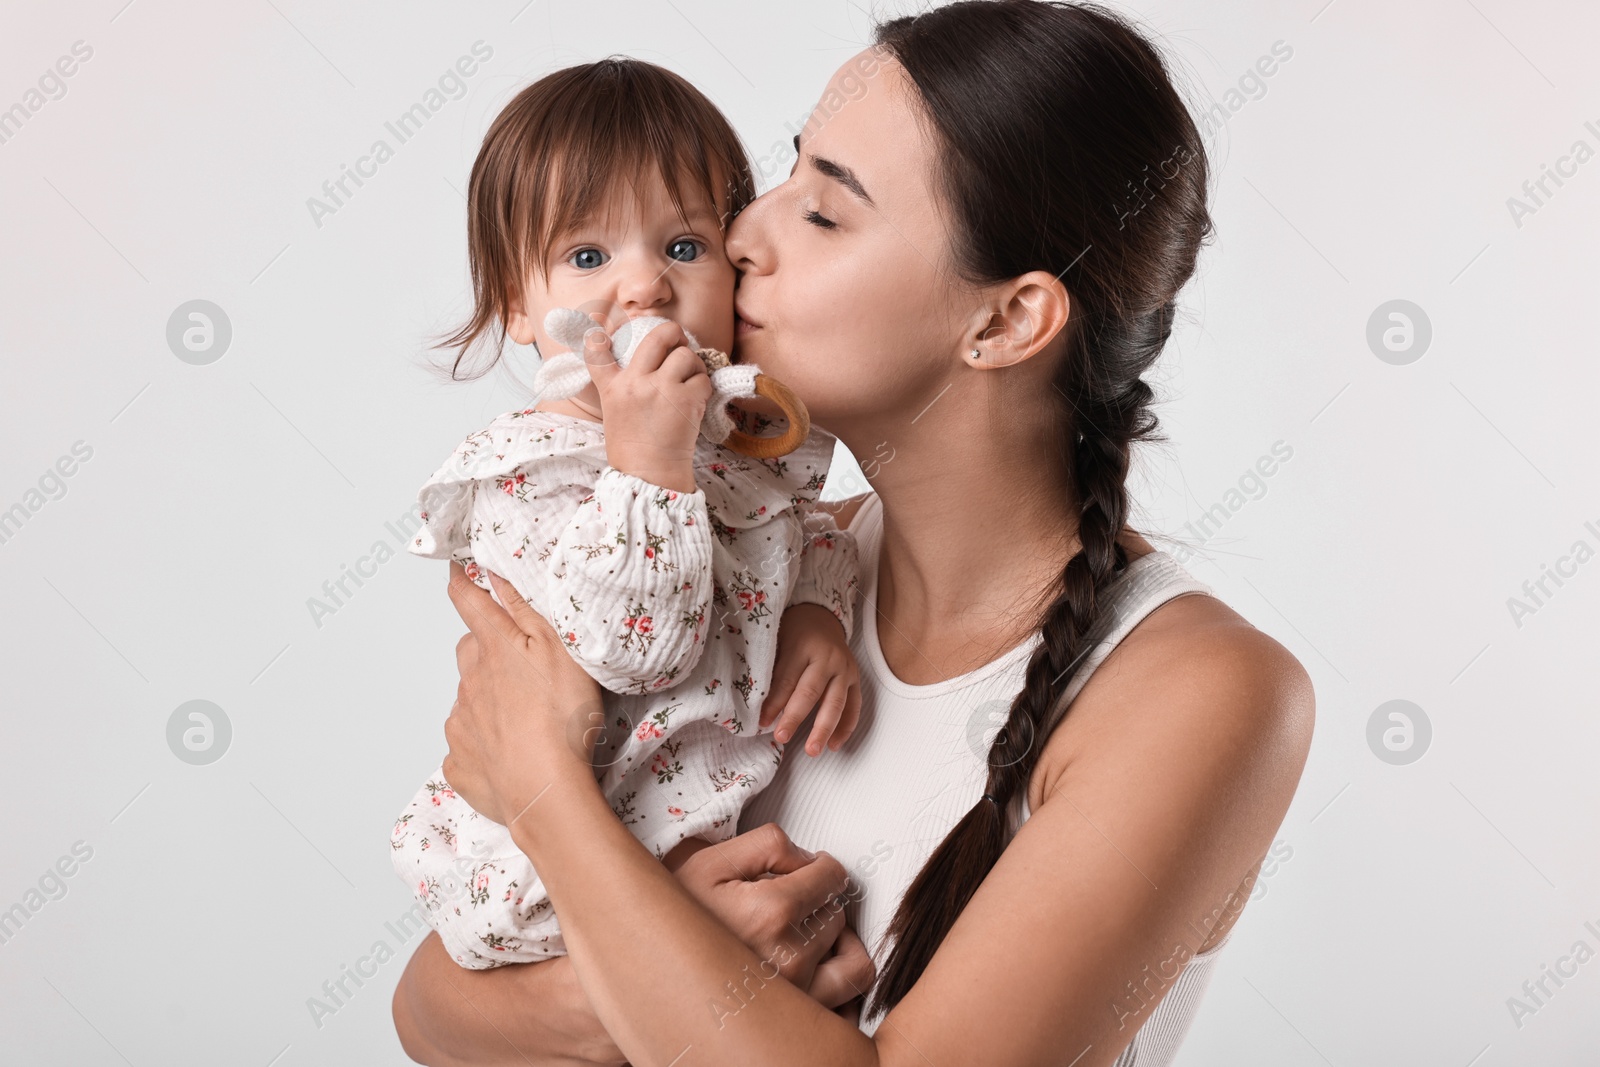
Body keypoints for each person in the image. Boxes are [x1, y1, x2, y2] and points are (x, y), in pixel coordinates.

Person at [393, 3, 1314, 1064]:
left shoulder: (1202, 693)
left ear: (1005, 321)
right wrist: (658, 951)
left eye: (823, 213)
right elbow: (427, 1006)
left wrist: (557, 801)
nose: (739, 236)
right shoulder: (754, 573)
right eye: (785, 173)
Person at [388, 57, 864, 970]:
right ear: (516, 304)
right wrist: (646, 465)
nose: (643, 286)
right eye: (588, 257)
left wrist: (814, 611)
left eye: (683, 247)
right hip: (535, 857)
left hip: (693, 824)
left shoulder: (732, 449)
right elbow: (633, 649)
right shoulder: (531, 471)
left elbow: (811, 534)